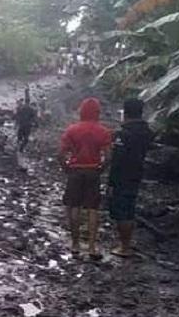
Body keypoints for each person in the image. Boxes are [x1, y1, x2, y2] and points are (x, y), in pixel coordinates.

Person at [59, 97, 112, 257]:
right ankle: (91, 247)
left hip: (75, 170)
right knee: (92, 209)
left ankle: (75, 244)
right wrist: (101, 169)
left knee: (74, 206)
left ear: (81, 111)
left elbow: (60, 154)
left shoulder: (72, 130)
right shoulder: (103, 131)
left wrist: (66, 168)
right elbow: (109, 156)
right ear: (97, 112)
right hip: (93, 171)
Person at [108, 98, 154, 257]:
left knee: (122, 211)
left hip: (123, 176)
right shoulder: (147, 132)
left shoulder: (123, 134)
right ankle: (126, 242)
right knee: (129, 208)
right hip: (137, 173)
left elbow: (117, 160)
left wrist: (111, 181)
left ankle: (124, 246)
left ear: (125, 113)